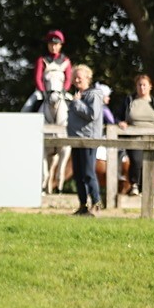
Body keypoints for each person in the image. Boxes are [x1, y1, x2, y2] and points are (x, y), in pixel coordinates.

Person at [117, 73, 154, 194]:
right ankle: (135, 184)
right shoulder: (129, 101)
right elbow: (118, 117)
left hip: (153, 138)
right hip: (134, 137)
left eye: (144, 85)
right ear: (136, 86)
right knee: (136, 160)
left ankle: (147, 188)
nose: (142, 88)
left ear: (150, 86)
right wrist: (121, 123)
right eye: (139, 85)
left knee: (150, 163)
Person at [67, 64, 104, 215]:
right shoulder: (79, 95)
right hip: (76, 139)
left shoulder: (93, 94)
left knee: (88, 173)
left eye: (79, 77)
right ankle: (83, 205)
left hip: (88, 139)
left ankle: (96, 202)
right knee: (78, 174)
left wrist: (76, 103)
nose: (76, 80)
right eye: (74, 77)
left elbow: (92, 114)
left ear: (88, 78)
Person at [22, 30, 73, 112]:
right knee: (26, 108)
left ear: (60, 45)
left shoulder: (66, 61)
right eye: (51, 44)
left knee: (75, 105)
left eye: (56, 44)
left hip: (61, 92)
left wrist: (64, 90)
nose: (53, 47)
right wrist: (43, 91)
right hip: (43, 91)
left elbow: (68, 79)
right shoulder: (42, 60)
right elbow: (38, 78)